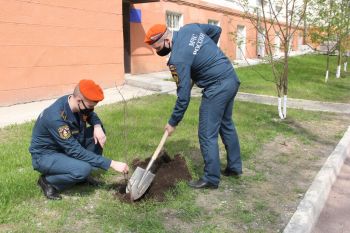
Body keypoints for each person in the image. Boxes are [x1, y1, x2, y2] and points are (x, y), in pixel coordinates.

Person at [144, 23, 242, 189]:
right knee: (226, 125)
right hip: (230, 77)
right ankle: (234, 167)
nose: (158, 51)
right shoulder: (189, 29)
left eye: (158, 47)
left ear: (167, 40)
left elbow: (183, 97)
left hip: (216, 87)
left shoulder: (177, 59)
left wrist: (173, 122)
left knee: (206, 133)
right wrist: (202, 55)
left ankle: (211, 178)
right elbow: (217, 30)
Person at [29, 79, 129, 200]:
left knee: (97, 133)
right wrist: (111, 163)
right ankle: (48, 181)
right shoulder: (56, 118)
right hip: (46, 155)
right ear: (78, 100)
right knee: (83, 169)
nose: (91, 109)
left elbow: (91, 115)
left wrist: (97, 126)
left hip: (65, 146)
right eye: (90, 106)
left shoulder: (73, 102)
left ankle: (82, 178)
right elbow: (75, 150)